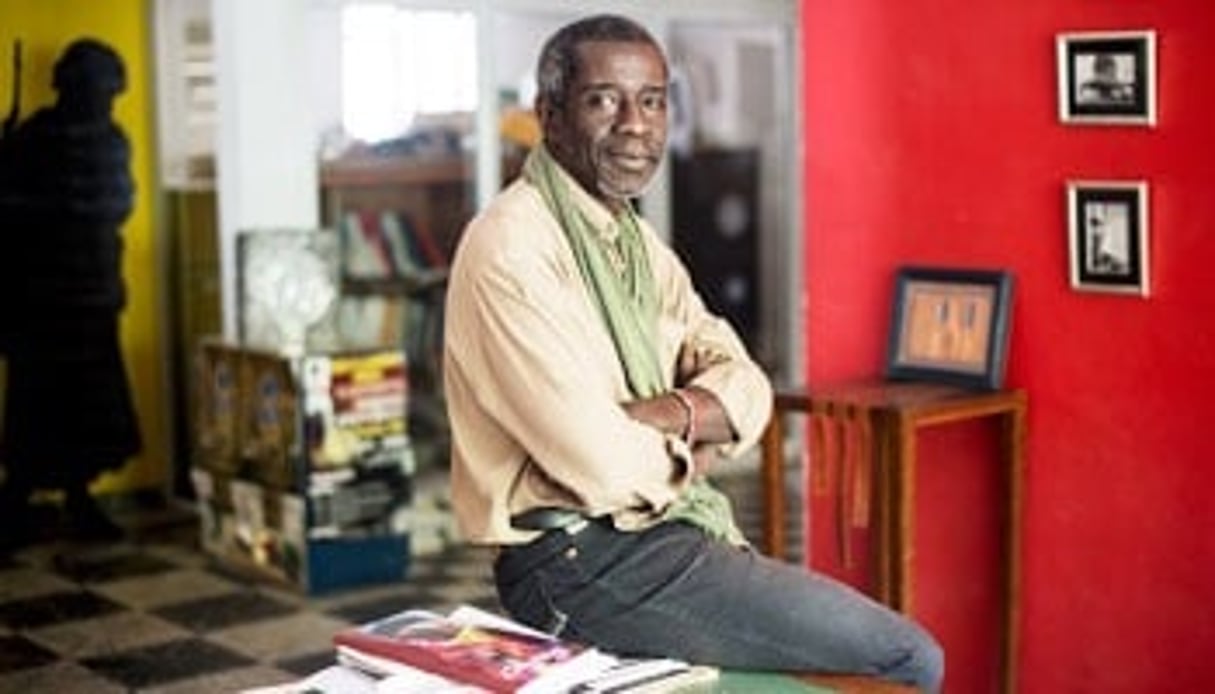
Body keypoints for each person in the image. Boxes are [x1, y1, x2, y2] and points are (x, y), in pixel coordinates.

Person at [442, 14, 943, 692]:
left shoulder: (635, 246)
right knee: (908, 659)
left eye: (651, 100)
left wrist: (665, 411)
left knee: (864, 658)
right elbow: (596, 460)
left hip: (657, 533)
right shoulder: (510, 246)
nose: (635, 125)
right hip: (575, 562)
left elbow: (747, 387)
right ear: (549, 115)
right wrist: (690, 443)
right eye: (603, 100)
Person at [0, 38, 140, 544]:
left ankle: (80, 500)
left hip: (92, 292)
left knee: (88, 405)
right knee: (34, 403)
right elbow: (10, 213)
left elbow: (121, 203)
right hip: (41, 296)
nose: (104, 101)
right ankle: (16, 499)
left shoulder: (112, 141)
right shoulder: (33, 138)